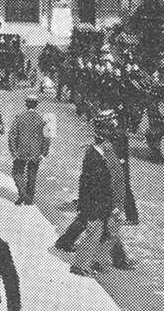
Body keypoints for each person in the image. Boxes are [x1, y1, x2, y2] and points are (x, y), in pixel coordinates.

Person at [55, 110, 137, 274]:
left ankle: (96, 260)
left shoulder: (105, 148)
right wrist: (112, 205)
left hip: (105, 201)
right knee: (100, 231)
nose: (115, 128)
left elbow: (117, 176)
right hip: (102, 202)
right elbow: (101, 182)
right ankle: (85, 263)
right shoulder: (99, 152)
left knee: (108, 231)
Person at [8, 94, 50, 205]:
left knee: (17, 172)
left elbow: (12, 135)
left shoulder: (20, 117)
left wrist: (13, 151)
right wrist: (44, 153)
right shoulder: (42, 119)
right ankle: (29, 199)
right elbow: (47, 137)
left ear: (26, 104)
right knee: (32, 174)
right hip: (36, 152)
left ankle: (22, 194)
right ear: (36, 105)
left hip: (21, 150)